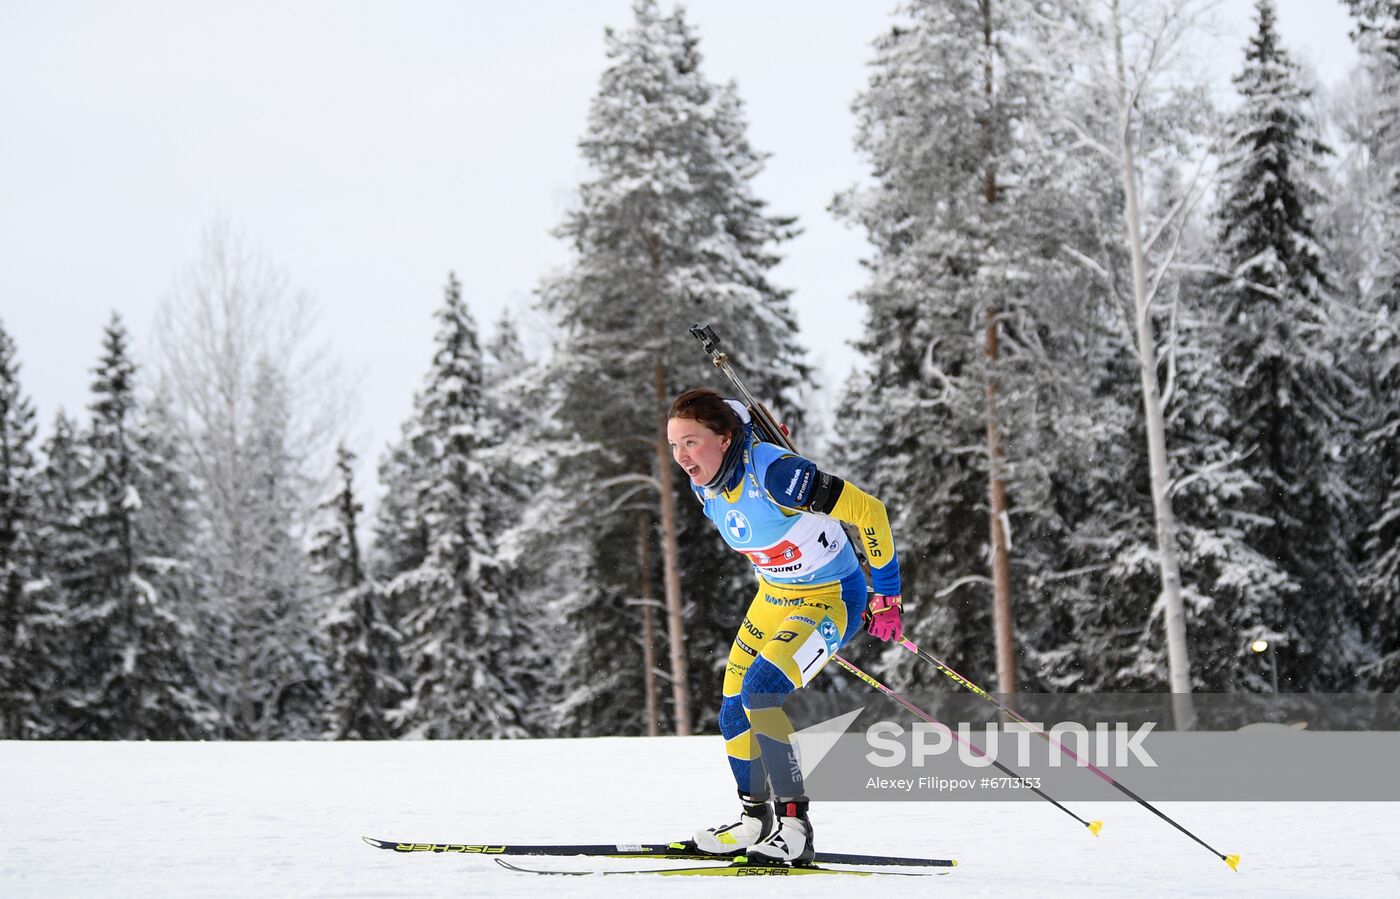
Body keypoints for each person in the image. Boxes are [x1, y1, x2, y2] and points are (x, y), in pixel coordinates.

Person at [666, 387, 905, 864]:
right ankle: (755, 821)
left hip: (830, 597)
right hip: (773, 597)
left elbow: (869, 512)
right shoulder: (704, 483)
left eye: (691, 442)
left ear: (724, 438)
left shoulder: (778, 474)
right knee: (733, 711)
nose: (682, 457)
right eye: (674, 446)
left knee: (761, 692)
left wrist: (888, 594)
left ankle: (795, 827)